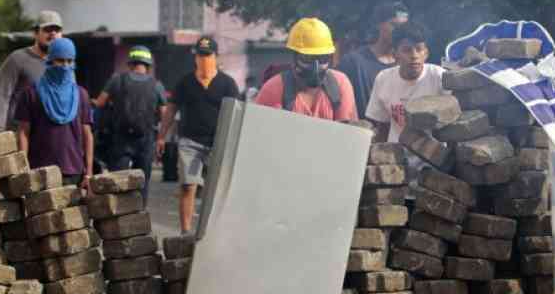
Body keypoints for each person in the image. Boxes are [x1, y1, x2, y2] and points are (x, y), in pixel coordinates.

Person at [155, 36, 239, 236]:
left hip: (218, 143)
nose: (204, 60)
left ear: (216, 57)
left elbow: (236, 114)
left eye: (208, 56)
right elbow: (171, 110)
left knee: (217, 190)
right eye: (200, 56)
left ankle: (213, 232)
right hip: (190, 142)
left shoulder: (228, 84)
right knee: (187, 185)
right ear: (195, 58)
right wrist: (161, 136)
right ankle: (185, 232)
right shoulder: (185, 83)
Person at [13, 38, 94, 188]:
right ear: (50, 61)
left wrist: (88, 173)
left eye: (70, 61)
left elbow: (87, 135)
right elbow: (23, 133)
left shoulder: (81, 94)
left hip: (73, 172)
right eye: (60, 61)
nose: (65, 66)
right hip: (39, 172)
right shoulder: (31, 94)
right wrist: (23, 170)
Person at [92, 45, 166, 203]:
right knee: (142, 184)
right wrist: (161, 138)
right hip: (145, 140)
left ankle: (116, 218)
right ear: (147, 65)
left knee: (117, 182)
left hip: (120, 139)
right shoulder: (157, 85)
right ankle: (140, 218)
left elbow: (99, 103)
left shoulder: (116, 79)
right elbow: (164, 114)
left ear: (130, 63)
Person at [255, 17, 358, 121]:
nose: (316, 67)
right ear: (295, 57)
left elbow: (347, 133)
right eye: (308, 58)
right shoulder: (274, 88)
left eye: (323, 58)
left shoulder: (340, 84)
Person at [366, 21, 445, 143]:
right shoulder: (383, 79)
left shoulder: (440, 77)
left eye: (419, 49)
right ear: (394, 54)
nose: (414, 56)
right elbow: (382, 125)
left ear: (426, 53)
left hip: (435, 158)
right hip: (397, 156)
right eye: (407, 50)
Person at [0, 10, 63, 132]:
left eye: (57, 30)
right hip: (19, 133)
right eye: (47, 30)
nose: (53, 33)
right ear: (35, 33)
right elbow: (1, 96)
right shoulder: (17, 59)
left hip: (51, 135)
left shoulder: (65, 63)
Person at [337, 1, 409, 118]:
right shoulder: (353, 62)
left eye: (403, 27)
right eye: (394, 25)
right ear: (379, 24)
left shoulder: (409, 65)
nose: (399, 32)